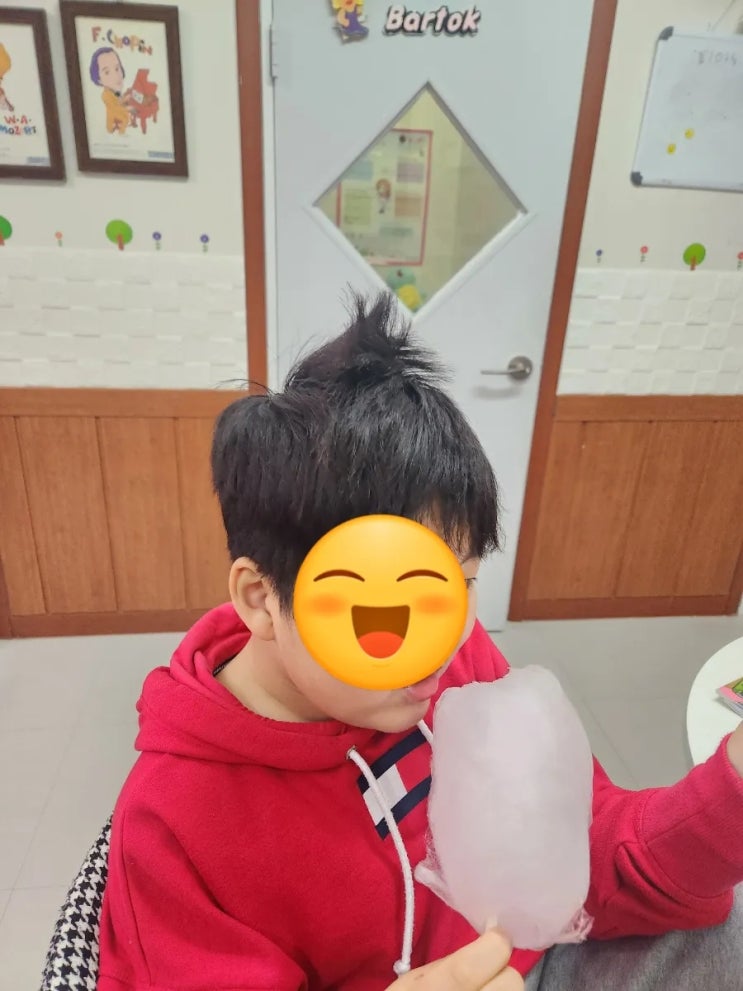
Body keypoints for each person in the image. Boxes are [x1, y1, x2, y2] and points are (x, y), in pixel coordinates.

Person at [96, 295, 743, 991]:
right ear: (260, 598)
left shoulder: (458, 657)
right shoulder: (174, 824)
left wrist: (730, 788)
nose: (437, 647)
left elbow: (587, 849)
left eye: (458, 585)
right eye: (390, 603)